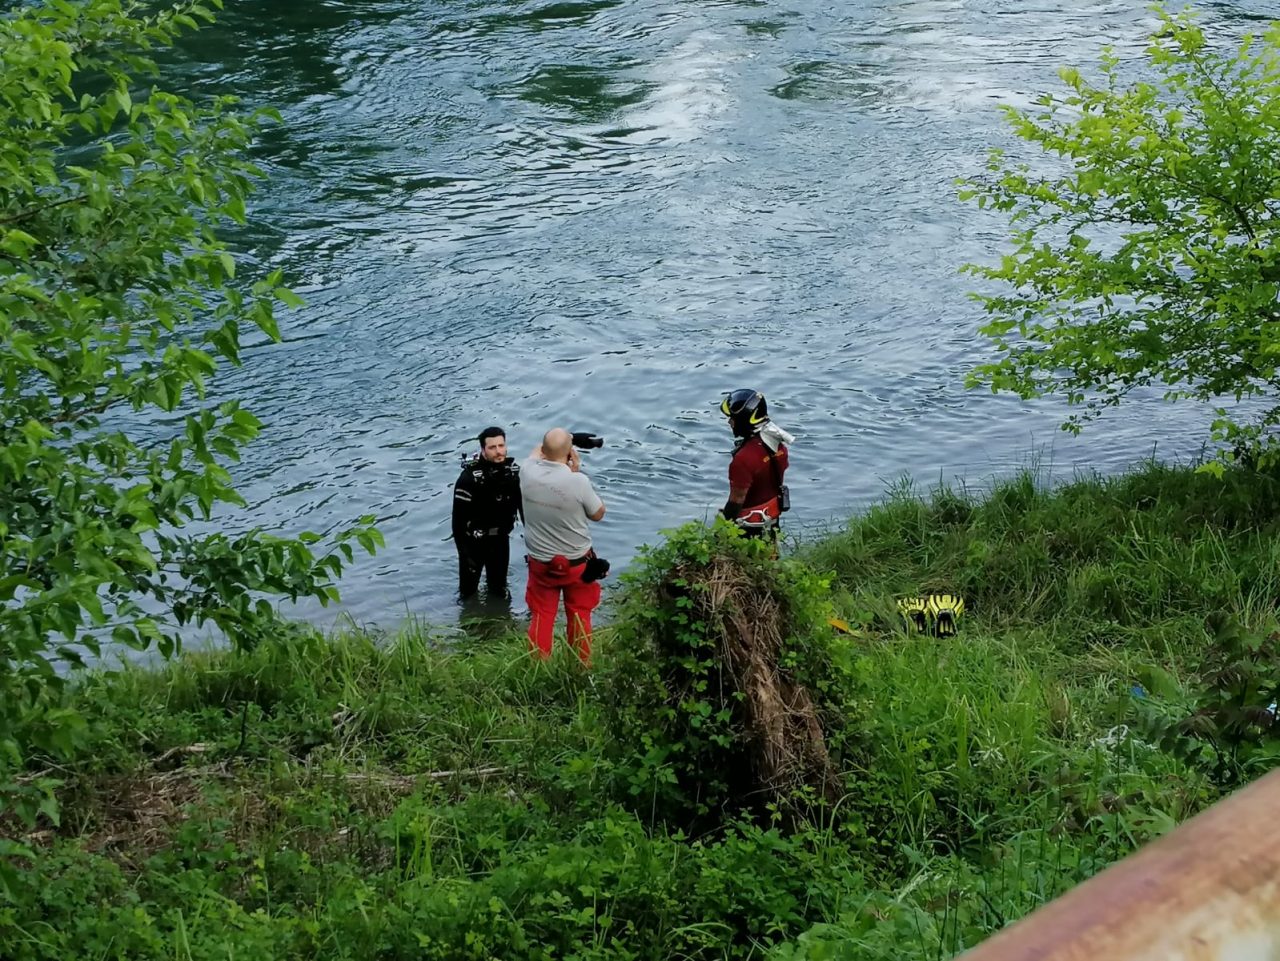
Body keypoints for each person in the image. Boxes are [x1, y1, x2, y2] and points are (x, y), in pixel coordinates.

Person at [519, 427, 606, 663]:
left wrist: (564, 440)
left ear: (545, 451)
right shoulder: (577, 481)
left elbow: (539, 449)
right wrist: (574, 470)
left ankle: (539, 668)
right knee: (579, 615)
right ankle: (580, 667)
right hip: (577, 565)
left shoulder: (526, 471)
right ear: (569, 454)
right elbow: (598, 514)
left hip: (541, 565)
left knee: (542, 616)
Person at [452, 426, 522, 599]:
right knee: (467, 594)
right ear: (483, 450)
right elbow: (457, 523)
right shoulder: (469, 479)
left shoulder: (512, 474)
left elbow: (523, 509)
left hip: (500, 541)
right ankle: (469, 623)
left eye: (501, 446)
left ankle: (501, 621)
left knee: (499, 590)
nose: (498, 452)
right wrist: (463, 553)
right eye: (492, 447)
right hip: (474, 543)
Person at [719, 388, 793, 541]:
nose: (730, 422)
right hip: (772, 519)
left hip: (748, 527)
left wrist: (721, 531)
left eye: (732, 418)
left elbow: (736, 501)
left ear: (743, 420)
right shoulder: (779, 446)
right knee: (770, 559)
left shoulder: (743, 459)